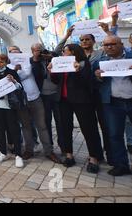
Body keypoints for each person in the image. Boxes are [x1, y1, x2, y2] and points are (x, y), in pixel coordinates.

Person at [48, 44, 103, 173]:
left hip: (82, 101)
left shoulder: (83, 63)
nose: (62, 53)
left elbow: (86, 82)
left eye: (64, 51)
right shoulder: (61, 63)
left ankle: (94, 158)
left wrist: (78, 71)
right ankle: (69, 155)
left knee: (88, 128)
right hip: (64, 100)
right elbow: (57, 81)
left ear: (72, 52)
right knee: (65, 127)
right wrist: (51, 72)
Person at [8, 47, 60, 163]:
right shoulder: (8, 67)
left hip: (35, 97)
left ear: (22, 54)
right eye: (12, 54)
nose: (15, 56)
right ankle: (29, 150)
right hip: (21, 101)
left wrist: (16, 71)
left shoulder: (27, 63)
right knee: (26, 126)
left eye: (17, 53)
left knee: (42, 126)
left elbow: (25, 74)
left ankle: (49, 151)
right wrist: (13, 71)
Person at [93, 35, 132, 176]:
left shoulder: (131, 56)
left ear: (121, 44)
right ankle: (122, 165)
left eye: (112, 44)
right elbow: (93, 81)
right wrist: (97, 75)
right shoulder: (100, 61)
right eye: (106, 45)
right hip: (113, 103)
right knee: (115, 135)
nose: (109, 47)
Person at [30, 43, 64, 153]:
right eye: (37, 50)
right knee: (46, 121)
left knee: (60, 121)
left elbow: (59, 49)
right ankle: (50, 145)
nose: (40, 52)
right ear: (33, 51)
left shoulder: (52, 56)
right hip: (43, 95)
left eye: (41, 49)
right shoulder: (32, 61)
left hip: (56, 94)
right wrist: (36, 58)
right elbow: (34, 73)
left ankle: (63, 145)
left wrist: (51, 58)